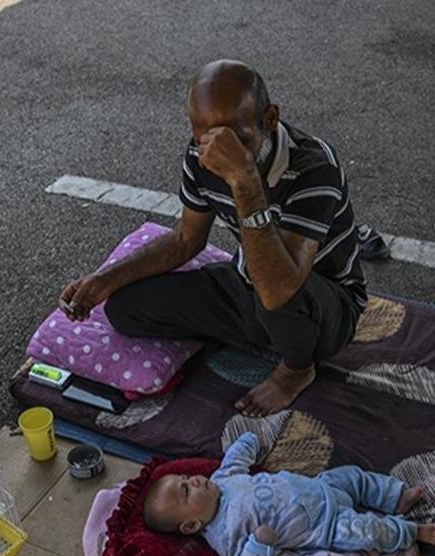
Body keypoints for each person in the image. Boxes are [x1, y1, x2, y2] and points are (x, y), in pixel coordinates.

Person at [58, 60, 387, 417]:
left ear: (270, 118)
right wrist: (104, 280)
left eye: (238, 139)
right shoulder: (201, 157)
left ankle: (296, 369)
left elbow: (282, 286)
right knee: (125, 307)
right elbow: (186, 239)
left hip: (322, 304)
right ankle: (261, 335)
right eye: (206, 139)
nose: (220, 153)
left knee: (273, 297)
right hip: (248, 286)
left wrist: (245, 182)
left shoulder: (313, 166)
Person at [143, 432, 435, 556]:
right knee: (366, 530)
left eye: (186, 478)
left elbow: (235, 459)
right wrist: (259, 545)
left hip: (322, 486)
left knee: (353, 476)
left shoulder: (222, 479)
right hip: (325, 525)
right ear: (192, 525)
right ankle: (409, 531)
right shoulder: (223, 533)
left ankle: (394, 496)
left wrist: (248, 440)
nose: (195, 480)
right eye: (186, 490)